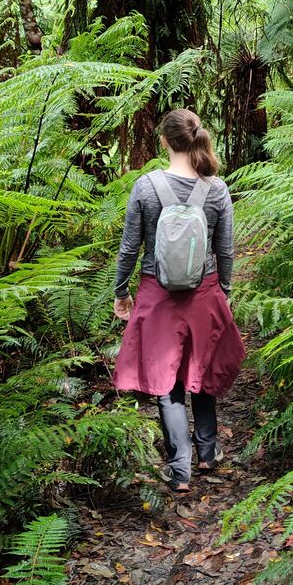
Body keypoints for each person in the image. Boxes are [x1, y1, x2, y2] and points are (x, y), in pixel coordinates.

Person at [112, 108, 246, 492]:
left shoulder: (146, 187)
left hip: (157, 293)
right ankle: (208, 453)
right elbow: (226, 251)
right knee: (201, 372)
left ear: (165, 142)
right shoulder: (217, 190)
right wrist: (226, 292)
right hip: (204, 293)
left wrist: (121, 292)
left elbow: (129, 249)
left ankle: (180, 468)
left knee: (166, 381)